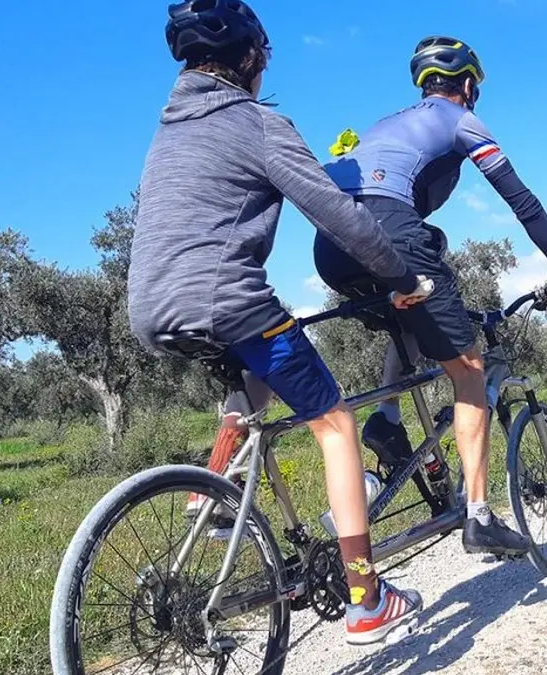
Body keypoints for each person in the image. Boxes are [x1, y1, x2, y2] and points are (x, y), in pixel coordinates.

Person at [127, 0, 429, 645]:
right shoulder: (255, 122)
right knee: (336, 422)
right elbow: (337, 215)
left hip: (151, 309)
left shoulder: (169, 130)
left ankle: (209, 497)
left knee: (249, 390)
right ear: (250, 57)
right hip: (226, 300)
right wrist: (402, 278)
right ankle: (366, 596)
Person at [314, 36, 547, 558]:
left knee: (412, 308)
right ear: (467, 85)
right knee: (469, 369)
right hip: (388, 229)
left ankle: (387, 420)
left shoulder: (384, 125)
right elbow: (522, 201)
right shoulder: (460, 119)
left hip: (331, 247)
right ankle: (479, 516)